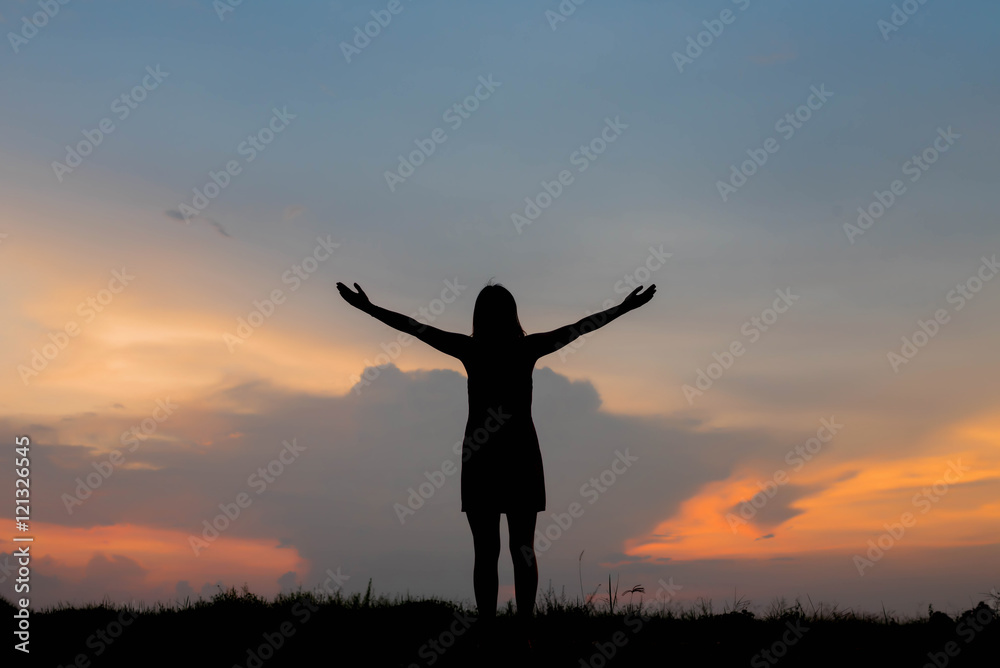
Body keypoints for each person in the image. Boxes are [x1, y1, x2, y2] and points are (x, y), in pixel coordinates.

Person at [336, 279, 656, 645]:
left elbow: (413, 327)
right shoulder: (527, 348)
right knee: (522, 549)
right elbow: (581, 328)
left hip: (483, 458)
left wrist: (367, 308)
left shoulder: (470, 349)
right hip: (519, 455)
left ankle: (489, 629)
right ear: (512, 314)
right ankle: (524, 630)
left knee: (486, 551)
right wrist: (623, 308)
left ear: (479, 316)